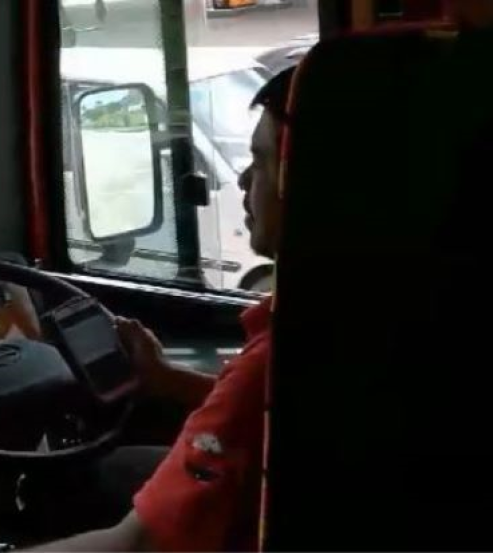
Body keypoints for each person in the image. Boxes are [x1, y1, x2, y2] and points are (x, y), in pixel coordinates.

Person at [26, 66, 296, 552]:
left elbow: (138, 546)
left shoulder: (270, 364)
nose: (242, 179)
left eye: (259, 160)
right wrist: (166, 379)